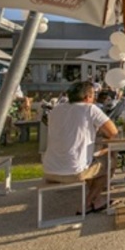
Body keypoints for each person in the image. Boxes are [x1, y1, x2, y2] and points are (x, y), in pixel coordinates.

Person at [42, 81, 118, 213]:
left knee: (88, 160)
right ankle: (87, 204)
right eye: (94, 95)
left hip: (49, 169)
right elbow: (113, 132)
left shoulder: (56, 110)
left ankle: (98, 199)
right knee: (110, 160)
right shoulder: (89, 109)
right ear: (88, 97)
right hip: (73, 172)